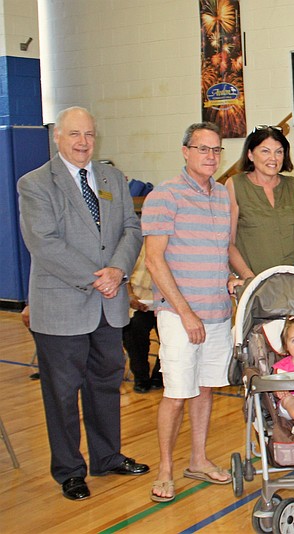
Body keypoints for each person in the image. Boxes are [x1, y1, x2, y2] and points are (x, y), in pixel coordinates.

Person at [18, 106, 148, 501]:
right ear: (57, 136)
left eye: (89, 134)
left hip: (108, 306)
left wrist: (119, 271)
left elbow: (131, 227)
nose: (82, 142)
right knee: (61, 393)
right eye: (74, 134)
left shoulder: (111, 177)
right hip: (62, 306)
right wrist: (100, 277)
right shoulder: (36, 183)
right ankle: (69, 470)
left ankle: (107, 457)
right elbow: (45, 243)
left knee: (106, 383)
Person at [141, 122, 243, 502]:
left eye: (216, 150)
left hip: (217, 312)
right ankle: (166, 470)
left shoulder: (221, 196)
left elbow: (218, 253)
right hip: (179, 315)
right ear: (185, 151)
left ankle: (197, 459)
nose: (211, 156)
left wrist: (232, 279)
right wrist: (185, 313)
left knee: (205, 389)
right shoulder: (164, 196)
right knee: (176, 391)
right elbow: (154, 261)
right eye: (203, 149)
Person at [227, 126, 294, 279]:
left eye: (279, 152)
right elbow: (229, 242)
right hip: (253, 282)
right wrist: (248, 277)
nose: (273, 158)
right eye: (265, 151)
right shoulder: (235, 185)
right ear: (250, 154)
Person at [123, 247, 161, 393]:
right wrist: (131, 296)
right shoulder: (136, 241)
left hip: (167, 301)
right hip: (139, 300)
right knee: (132, 330)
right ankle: (141, 375)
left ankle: (160, 374)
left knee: (172, 334)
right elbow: (123, 272)